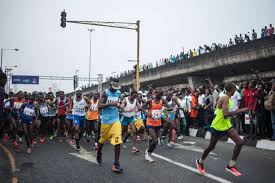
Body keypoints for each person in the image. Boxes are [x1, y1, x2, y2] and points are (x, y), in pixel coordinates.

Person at [196, 83, 248, 176]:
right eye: (234, 90)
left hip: (227, 124)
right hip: (218, 125)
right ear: (231, 89)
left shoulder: (228, 98)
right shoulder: (225, 98)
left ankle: (231, 165)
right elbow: (225, 114)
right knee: (211, 147)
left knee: (239, 143)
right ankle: (200, 161)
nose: (235, 91)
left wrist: (235, 112)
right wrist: (240, 111)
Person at [97, 78, 123, 173]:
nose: (115, 89)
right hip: (105, 121)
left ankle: (116, 164)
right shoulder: (105, 93)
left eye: (117, 87)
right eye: (114, 87)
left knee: (118, 141)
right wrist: (110, 103)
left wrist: (119, 107)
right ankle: (99, 152)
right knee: (102, 140)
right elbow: (99, 105)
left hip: (115, 120)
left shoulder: (118, 93)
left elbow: (117, 104)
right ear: (110, 85)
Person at [142, 90, 171, 162]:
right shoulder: (150, 101)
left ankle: (149, 153)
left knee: (155, 141)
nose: (159, 96)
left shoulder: (162, 101)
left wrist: (164, 110)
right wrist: (146, 112)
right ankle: (147, 152)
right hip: (150, 123)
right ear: (155, 93)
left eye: (161, 94)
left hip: (158, 123)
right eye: (158, 94)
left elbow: (169, 108)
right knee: (155, 141)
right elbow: (142, 107)